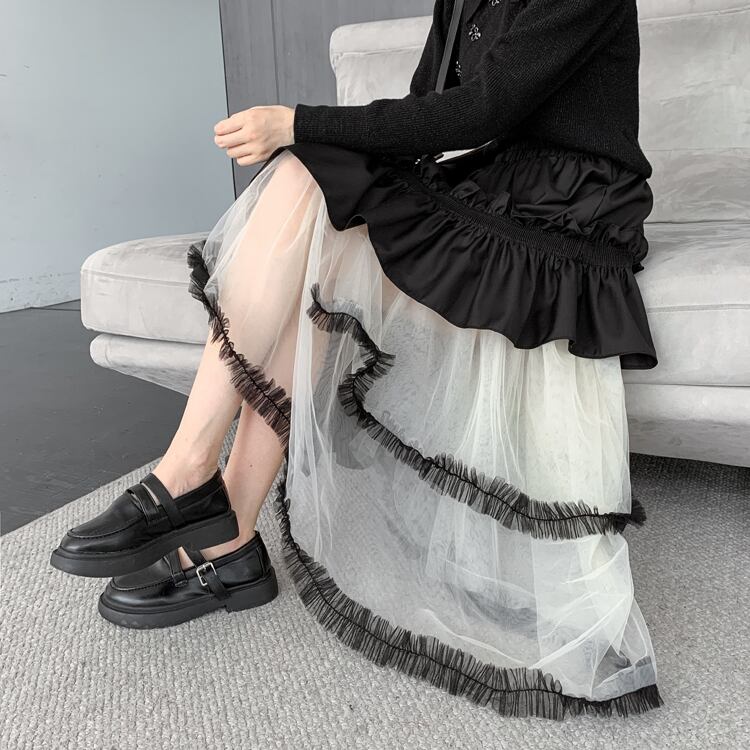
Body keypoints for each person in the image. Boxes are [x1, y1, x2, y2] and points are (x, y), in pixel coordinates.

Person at [51, 0, 664, 719]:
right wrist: (321, 153)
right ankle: (225, 526)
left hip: (570, 202)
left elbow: (479, 111)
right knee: (313, 218)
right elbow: (424, 106)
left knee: (307, 168)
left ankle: (191, 485)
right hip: (492, 180)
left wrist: (300, 123)